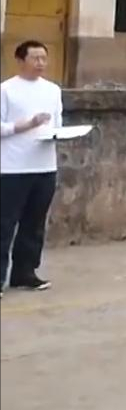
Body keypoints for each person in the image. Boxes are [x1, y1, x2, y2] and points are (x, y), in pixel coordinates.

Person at [1, 40, 62, 295]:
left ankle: (25, 273)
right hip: (12, 168)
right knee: (4, 224)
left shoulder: (52, 90)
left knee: (34, 224)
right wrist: (23, 126)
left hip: (45, 165)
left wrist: (60, 134)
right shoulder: (6, 90)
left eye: (43, 58)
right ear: (20, 60)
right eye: (35, 58)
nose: (40, 63)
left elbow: (57, 122)